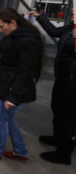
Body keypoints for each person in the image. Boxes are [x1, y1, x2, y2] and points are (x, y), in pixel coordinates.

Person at [0, 8, 43, 161]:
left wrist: (13, 97)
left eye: (1, 26)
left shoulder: (29, 40)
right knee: (6, 119)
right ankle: (20, 151)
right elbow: (9, 54)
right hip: (7, 85)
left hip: (12, 90)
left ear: (12, 22)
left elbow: (27, 72)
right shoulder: (14, 34)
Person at [29, 10, 76, 165]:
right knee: (57, 108)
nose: (72, 11)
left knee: (68, 116)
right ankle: (58, 139)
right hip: (63, 77)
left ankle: (64, 154)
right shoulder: (72, 27)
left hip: (73, 82)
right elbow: (54, 31)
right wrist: (40, 17)